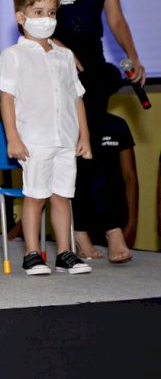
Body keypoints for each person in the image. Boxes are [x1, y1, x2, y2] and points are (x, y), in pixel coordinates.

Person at [0, 0, 93, 276]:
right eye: (38, 12)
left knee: (62, 196)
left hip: (64, 137)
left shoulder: (64, 56)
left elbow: (77, 97)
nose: (46, 18)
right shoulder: (13, 55)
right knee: (35, 196)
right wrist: (13, 138)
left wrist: (84, 136)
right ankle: (31, 253)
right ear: (21, 18)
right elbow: (7, 99)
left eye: (51, 12)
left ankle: (65, 252)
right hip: (34, 139)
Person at [73, 63, 136, 263]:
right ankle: (80, 233)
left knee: (104, 170)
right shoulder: (71, 126)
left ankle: (112, 231)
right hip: (79, 210)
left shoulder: (117, 125)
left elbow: (129, 177)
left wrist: (131, 223)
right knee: (84, 165)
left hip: (113, 211)